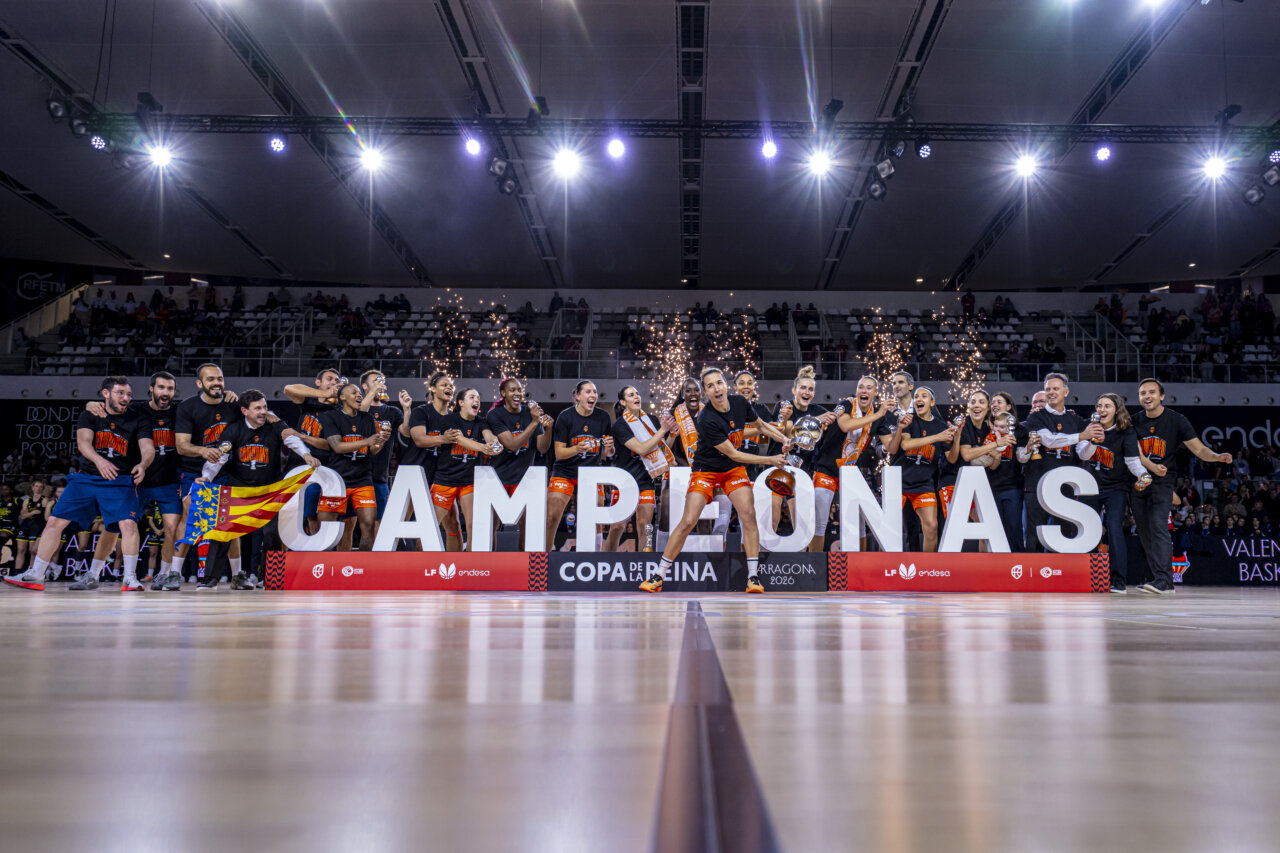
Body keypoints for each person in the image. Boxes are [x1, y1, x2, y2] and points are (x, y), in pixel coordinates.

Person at [640, 367, 789, 593]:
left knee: (749, 515)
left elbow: (760, 426)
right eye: (710, 386)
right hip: (706, 470)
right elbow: (734, 453)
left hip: (732, 471)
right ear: (706, 392)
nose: (716, 388)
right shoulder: (706, 418)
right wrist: (771, 459)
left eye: (718, 383)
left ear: (725, 385)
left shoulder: (740, 403)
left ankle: (753, 578)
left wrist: (784, 438)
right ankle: (658, 576)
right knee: (689, 520)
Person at [5, 377, 154, 591]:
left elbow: (148, 448)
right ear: (106, 393)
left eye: (129, 394)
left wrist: (143, 464)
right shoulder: (90, 414)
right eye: (120, 393)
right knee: (54, 522)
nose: (125, 398)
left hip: (119, 480)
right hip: (86, 478)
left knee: (127, 525)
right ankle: (37, 574)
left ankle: (130, 578)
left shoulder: (137, 418)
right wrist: (99, 460)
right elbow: (83, 442)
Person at [195, 389, 319, 590]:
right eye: (258, 408)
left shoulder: (275, 425)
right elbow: (220, 457)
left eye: (265, 407)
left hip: (269, 489)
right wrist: (207, 476)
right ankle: (210, 579)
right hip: (239, 489)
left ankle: (270, 577)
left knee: (272, 533)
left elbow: (291, 439)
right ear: (244, 410)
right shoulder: (233, 430)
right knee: (223, 530)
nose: (263, 412)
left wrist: (305, 455)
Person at [84, 371, 185, 591]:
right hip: (136, 480)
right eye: (161, 388)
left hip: (168, 481)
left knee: (172, 528)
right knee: (112, 527)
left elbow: (207, 407)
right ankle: (92, 574)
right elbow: (109, 406)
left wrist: (228, 394)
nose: (165, 393)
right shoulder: (135, 410)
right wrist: (92, 403)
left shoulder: (181, 412)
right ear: (151, 388)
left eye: (170, 389)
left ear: (174, 392)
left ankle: (164, 575)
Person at [1130, 378, 1232, 594]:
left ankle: (1165, 581)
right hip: (1138, 482)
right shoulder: (1134, 421)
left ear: (1162, 396)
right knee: (1145, 532)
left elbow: (1199, 449)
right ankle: (1153, 577)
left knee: (1158, 526)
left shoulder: (1176, 420)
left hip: (1162, 482)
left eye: (1151, 392)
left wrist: (1216, 457)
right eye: (1142, 393)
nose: (1146, 396)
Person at [175, 364, 244, 584]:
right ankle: (174, 574)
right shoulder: (188, 407)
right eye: (211, 379)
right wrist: (203, 450)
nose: (217, 383)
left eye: (220, 379)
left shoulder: (234, 405)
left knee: (231, 524)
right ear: (200, 383)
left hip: (226, 472)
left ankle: (237, 575)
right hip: (194, 471)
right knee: (189, 520)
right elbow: (181, 446)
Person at [808, 376, 889, 552]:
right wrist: (877, 415)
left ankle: (860, 565)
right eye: (861, 387)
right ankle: (813, 566)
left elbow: (890, 445)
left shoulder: (879, 415)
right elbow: (845, 426)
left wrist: (900, 429)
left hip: (851, 472)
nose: (864, 391)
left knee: (859, 522)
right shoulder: (847, 404)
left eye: (869, 388)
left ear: (875, 393)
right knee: (820, 521)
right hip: (827, 467)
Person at [1023, 374, 1100, 551]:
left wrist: (1093, 441)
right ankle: (1033, 576)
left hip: (1065, 486)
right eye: (1048, 389)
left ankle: (1063, 576)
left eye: (1055, 389)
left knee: (1066, 534)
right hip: (1037, 484)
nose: (1051, 392)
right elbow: (1048, 440)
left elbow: (1083, 454)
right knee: (1034, 534)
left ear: (1066, 392)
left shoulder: (1076, 421)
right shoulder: (1036, 417)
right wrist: (1082, 436)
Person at [1086, 393, 1147, 593]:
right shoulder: (1090, 426)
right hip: (1090, 487)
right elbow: (1082, 454)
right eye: (1099, 405)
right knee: (1089, 531)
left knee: (1114, 529)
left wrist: (1143, 474)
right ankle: (1089, 577)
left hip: (1115, 488)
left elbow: (1132, 461)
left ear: (1116, 410)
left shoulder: (1126, 432)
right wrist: (1091, 440)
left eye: (1107, 406)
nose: (1102, 409)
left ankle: (1118, 580)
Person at [605, 386, 677, 552]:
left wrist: (671, 435)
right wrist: (663, 431)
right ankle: (607, 561)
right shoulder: (620, 425)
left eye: (637, 393)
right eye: (631, 395)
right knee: (617, 526)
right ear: (623, 402)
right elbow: (642, 449)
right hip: (625, 481)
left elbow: (662, 452)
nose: (637, 396)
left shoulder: (651, 419)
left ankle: (643, 564)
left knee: (645, 526)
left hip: (646, 480)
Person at [485, 379, 553, 549]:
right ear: (503, 393)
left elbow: (542, 448)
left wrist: (548, 428)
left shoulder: (529, 413)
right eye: (512, 390)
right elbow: (512, 444)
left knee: (526, 526)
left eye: (519, 390)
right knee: (490, 526)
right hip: (499, 477)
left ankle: (524, 564)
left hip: (524, 479)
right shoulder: (495, 415)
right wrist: (534, 423)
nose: (517, 393)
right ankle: (489, 565)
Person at [430, 388, 501, 552]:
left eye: (478, 397)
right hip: (445, 481)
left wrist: (494, 443)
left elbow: (488, 434)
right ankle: (420, 568)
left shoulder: (481, 421)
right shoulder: (449, 419)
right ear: (461, 402)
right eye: (472, 397)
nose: (476, 400)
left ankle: (469, 568)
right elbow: (459, 440)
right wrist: (484, 447)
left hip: (469, 482)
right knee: (431, 525)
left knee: (474, 526)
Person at [319, 383, 388, 551]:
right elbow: (337, 446)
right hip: (337, 479)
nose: (359, 395)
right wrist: (367, 441)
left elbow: (372, 450)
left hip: (362, 479)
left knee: (369, 525)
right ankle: (325, 570)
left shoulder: (367, 418)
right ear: (342, 397)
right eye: (354, 392)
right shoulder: (330, 416)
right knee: (325, 527)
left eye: (359, 393)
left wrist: (381, 441)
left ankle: (363, 566)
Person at [889, 387, 958, 553]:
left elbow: (952, 458)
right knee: (889, 529)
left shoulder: (941, 425)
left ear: (932, 402)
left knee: (931, 526)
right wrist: (937, 437)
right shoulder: (908, 420)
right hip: (899, 482)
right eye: (916, 396)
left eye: (924, 396)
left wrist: (958, 436)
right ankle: (884, 568)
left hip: (923, 484)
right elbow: (906, 445)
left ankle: (928, 569)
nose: (919, 399)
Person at [547, 381, 615, 548]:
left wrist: (610, 448)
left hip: (591, 473)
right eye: (588, 392)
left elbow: (608, 455)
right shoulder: (565, 416)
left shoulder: (603, 417)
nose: (593, 395)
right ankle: (546, 553)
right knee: (552, 514)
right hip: (565, 471)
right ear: (577, 396)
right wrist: (577, 449)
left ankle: (596, 556)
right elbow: (559, 453)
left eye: (595, 392)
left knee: (597, 514)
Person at [284, 367, 342, 534]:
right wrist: (323, 394)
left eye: (336, 381)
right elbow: (288, 389)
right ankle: (288, 556)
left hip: (320, 468)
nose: (333, 383)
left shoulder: (337, 411)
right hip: (295, 466)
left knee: (313, 515)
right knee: (289, 514)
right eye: (329, 379)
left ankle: (314, 551)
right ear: (318, 383)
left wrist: (301, 436)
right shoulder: (309, 402)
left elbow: (331, 445)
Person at [360, 369, 414, 532]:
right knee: (352, 523)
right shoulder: (356, 406)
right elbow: (360, 413)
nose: (381, 384)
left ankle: (376, 558)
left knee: (380, 523)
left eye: (382, 381)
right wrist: (373, 392)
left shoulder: (391, 411)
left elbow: (405, 432)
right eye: (376, 381)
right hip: (354, 474)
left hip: (379, 475)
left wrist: (406, 409)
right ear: (364, 386)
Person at [14, 479, 53, 577]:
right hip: (25, 525)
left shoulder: (45, 500)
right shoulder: (27, 500)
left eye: (40, 487)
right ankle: (17, 572)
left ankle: (30, 571)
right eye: (36, 486)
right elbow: (23, 516)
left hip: (37, 526)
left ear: (43, 489)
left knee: (32, 551)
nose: (38, 488)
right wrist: (33, 512)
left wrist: (29, 513)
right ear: (32, 488)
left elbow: (40, 513)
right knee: (21, 550)